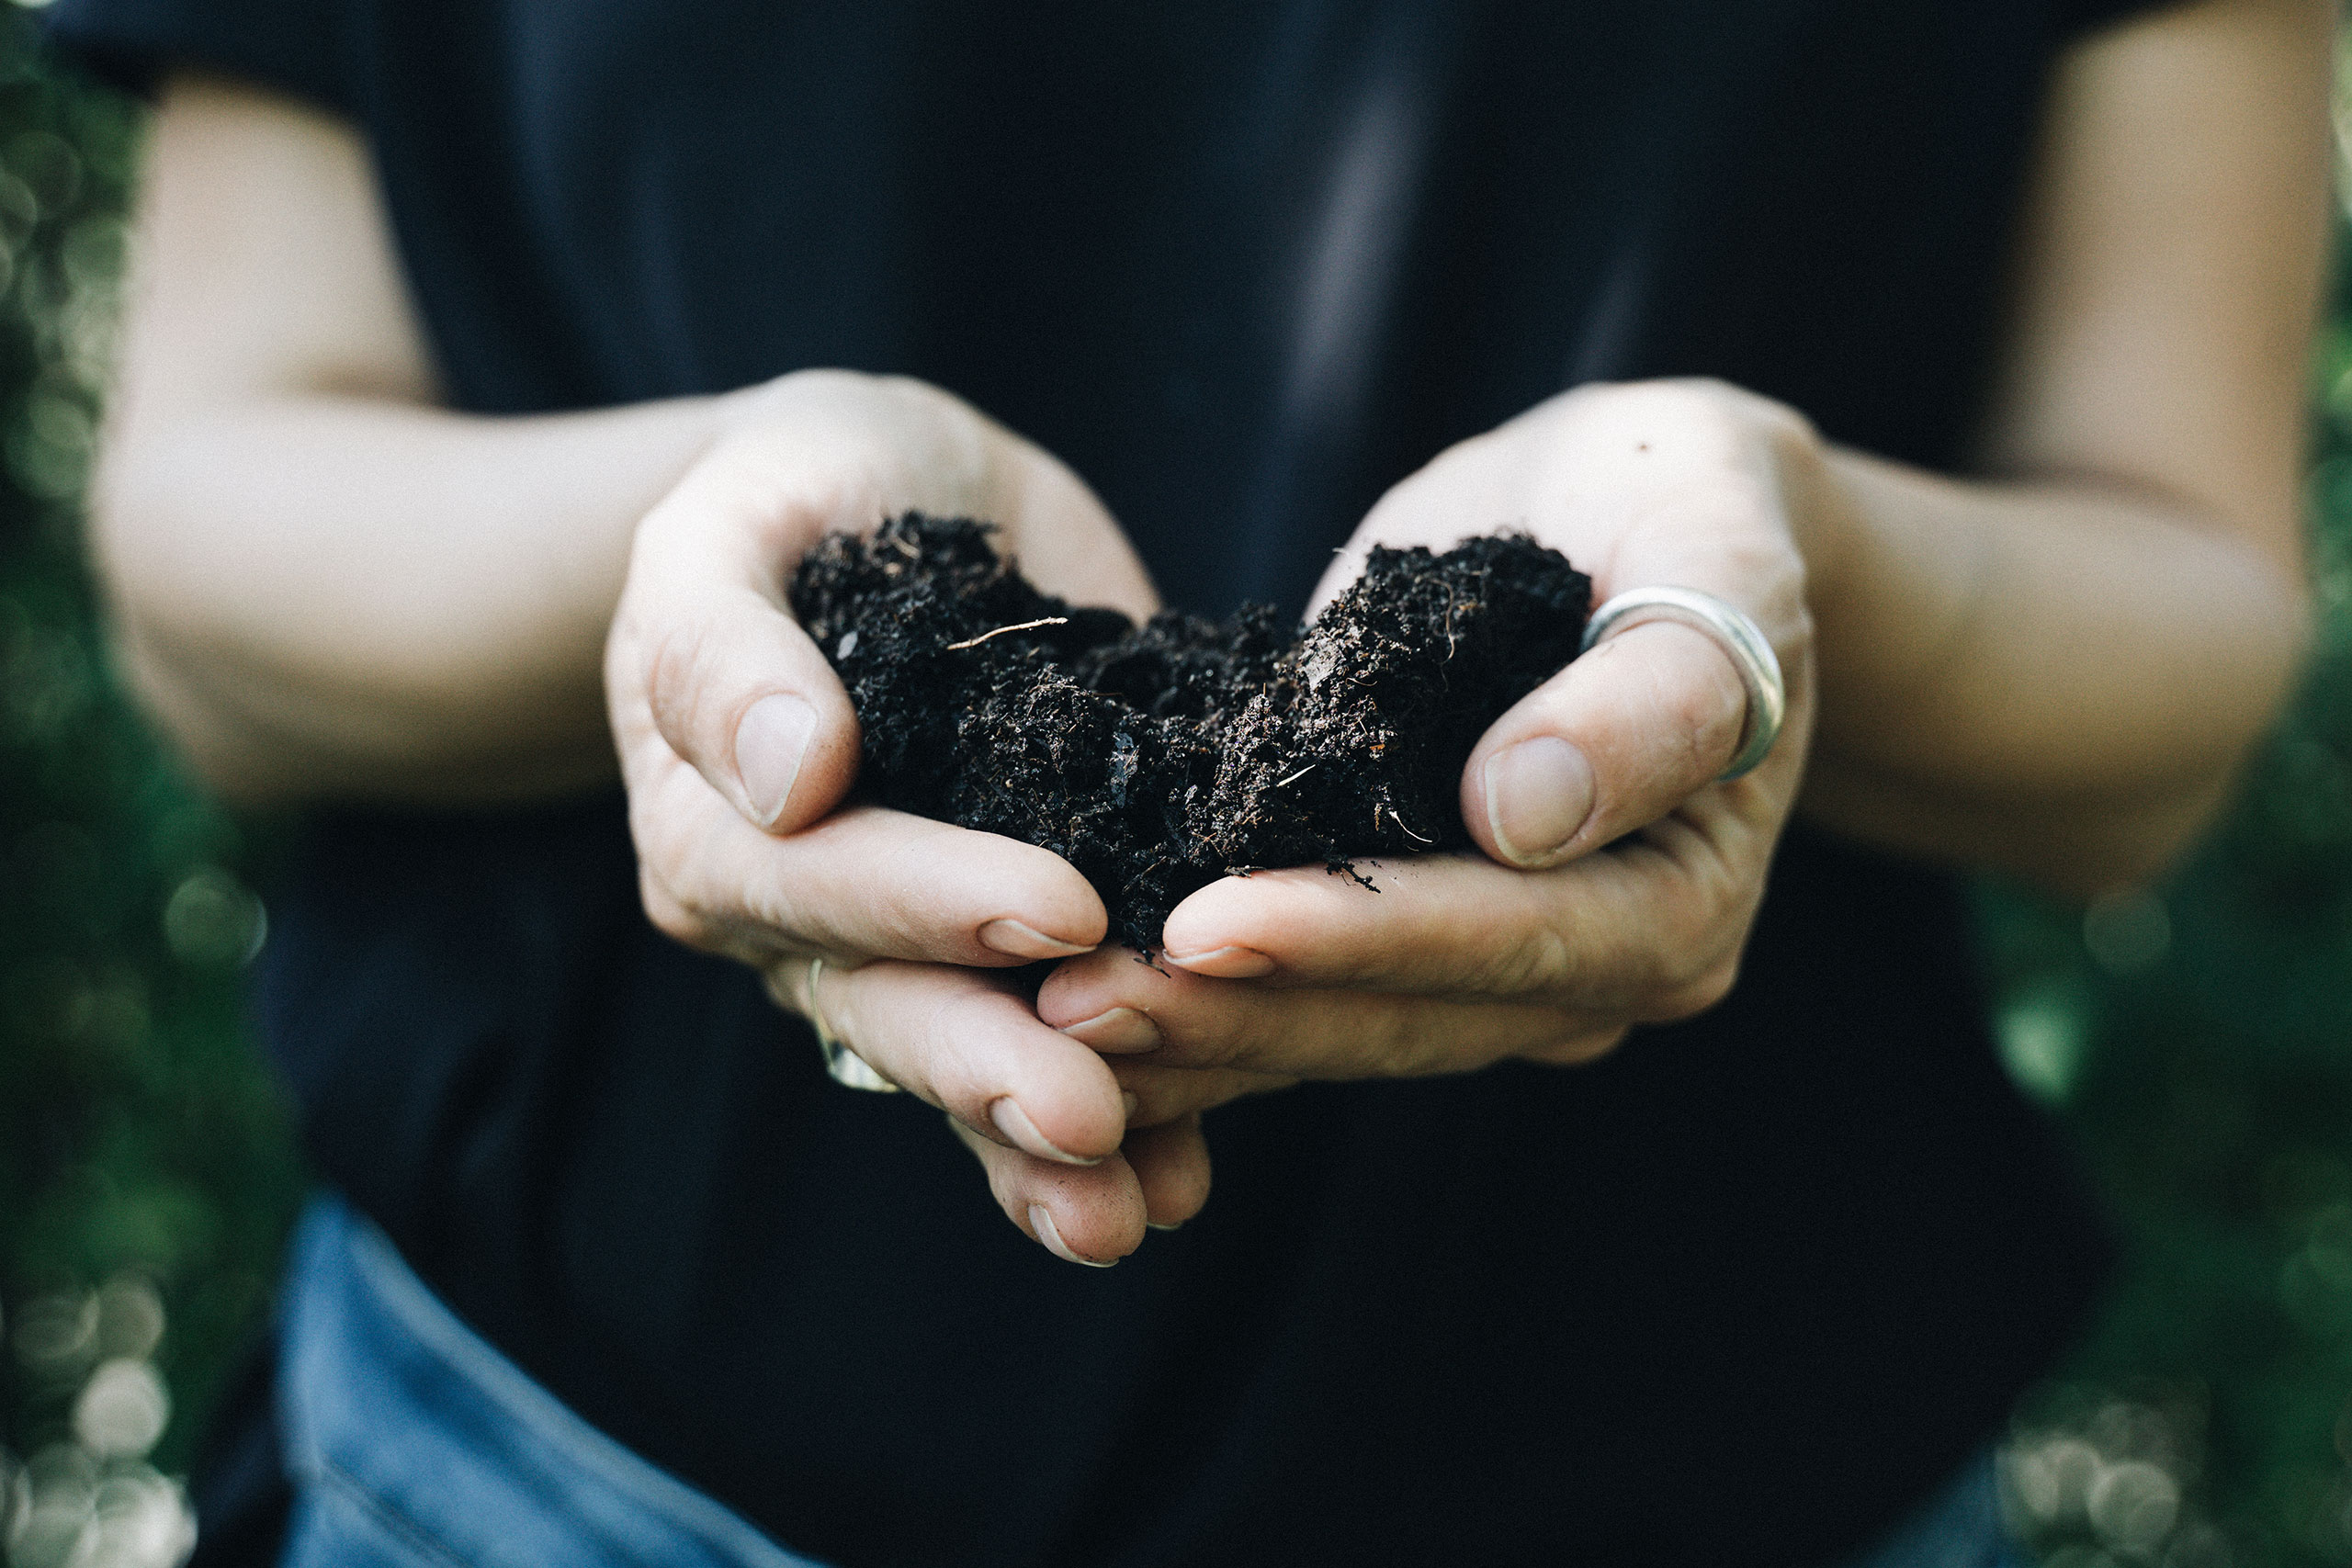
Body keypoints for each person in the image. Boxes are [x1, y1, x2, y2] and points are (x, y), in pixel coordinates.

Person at [48, 0, 2326, 1563]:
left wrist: (1784, 550)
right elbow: (213, 560)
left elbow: (2172, 643)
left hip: (1736, 1460)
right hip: (562, 1472)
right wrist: (705, 540)